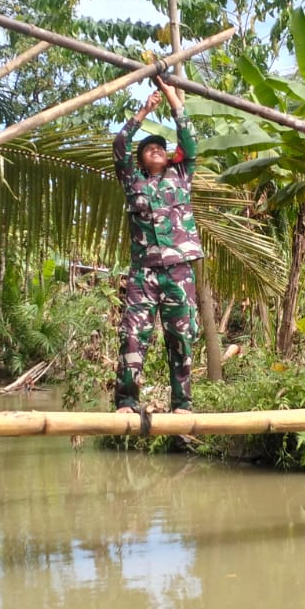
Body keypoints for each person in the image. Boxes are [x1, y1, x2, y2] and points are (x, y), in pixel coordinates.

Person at [112, 77, 203, 415]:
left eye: (161, 147)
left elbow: (189, 138)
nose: (156, 149)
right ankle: (127, 401)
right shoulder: (132, 180)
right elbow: (120, 144)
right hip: (144, 274)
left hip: (179, 271)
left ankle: (182, 405)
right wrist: (144, 111)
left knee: (182, 338)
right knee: (133, 335)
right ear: (140, 159)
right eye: (149, 148)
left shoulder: (181, 175)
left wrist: (169, 93)